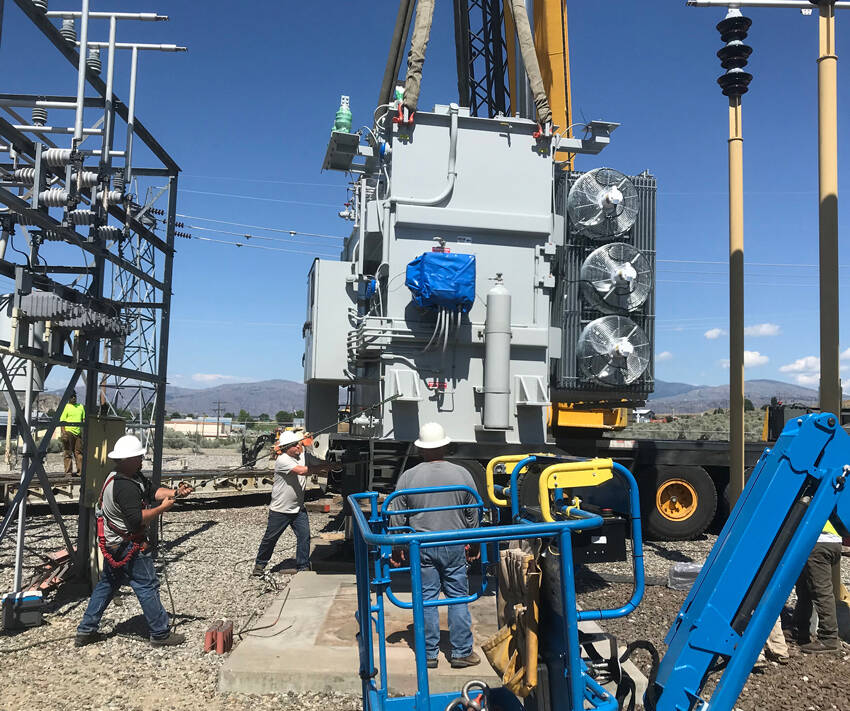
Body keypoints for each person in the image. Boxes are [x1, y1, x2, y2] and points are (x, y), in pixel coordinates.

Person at [75, 434, 193, 648]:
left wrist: (176, 492)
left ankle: (86, 630)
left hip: (114, 544)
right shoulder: (125, 487)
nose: (141, 460)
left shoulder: (128, 477)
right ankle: (160, 633)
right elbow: (137, 519)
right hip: (127, 544)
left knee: (107, 584)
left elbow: (152, 491)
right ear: (127, 459)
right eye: (138, 457)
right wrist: (161, 509)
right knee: (147, 585)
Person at [390, 422, 480, 670]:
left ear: (421, 449)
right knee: (458, 597)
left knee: (426, 598)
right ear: (445, 446)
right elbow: (473, 512)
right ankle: (461, 653)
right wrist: (474, 542)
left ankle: (429, 654)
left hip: (421, 545)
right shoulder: (462, 474)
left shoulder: (408, 477)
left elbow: (397, 516)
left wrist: (397, 547)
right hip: (454, 543)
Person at [252, 431, 327, 576]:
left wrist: (333, 464)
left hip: (298, 509)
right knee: (271, 538)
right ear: (287, 448)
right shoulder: (283, 460)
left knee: (304, 537)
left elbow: (318, 462)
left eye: (298, 444)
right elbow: (302, 471)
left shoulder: (303, 456)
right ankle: (260, 565)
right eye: (295, 445)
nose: (298, 447)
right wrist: (326, 467)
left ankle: (303, 566)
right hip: (280, 510)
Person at [791, 521, 844, 654]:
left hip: (819, 541)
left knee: (821, 592)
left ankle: (828, 638)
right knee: (805, 589)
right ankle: (800, 630)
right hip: (831, 540)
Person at [60, 392, 85, 476]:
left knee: (79, 453)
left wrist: (84, 432)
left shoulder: (80, 407)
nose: (74, 398)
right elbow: (62, 421)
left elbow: (84, 420)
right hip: (69, 432)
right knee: (68, 453)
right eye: (71, 396)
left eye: (74, 396)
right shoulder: (66, 407)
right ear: (68, 398)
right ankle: (68, 472)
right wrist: (64, 433)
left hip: (78, 433)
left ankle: (80, 472)